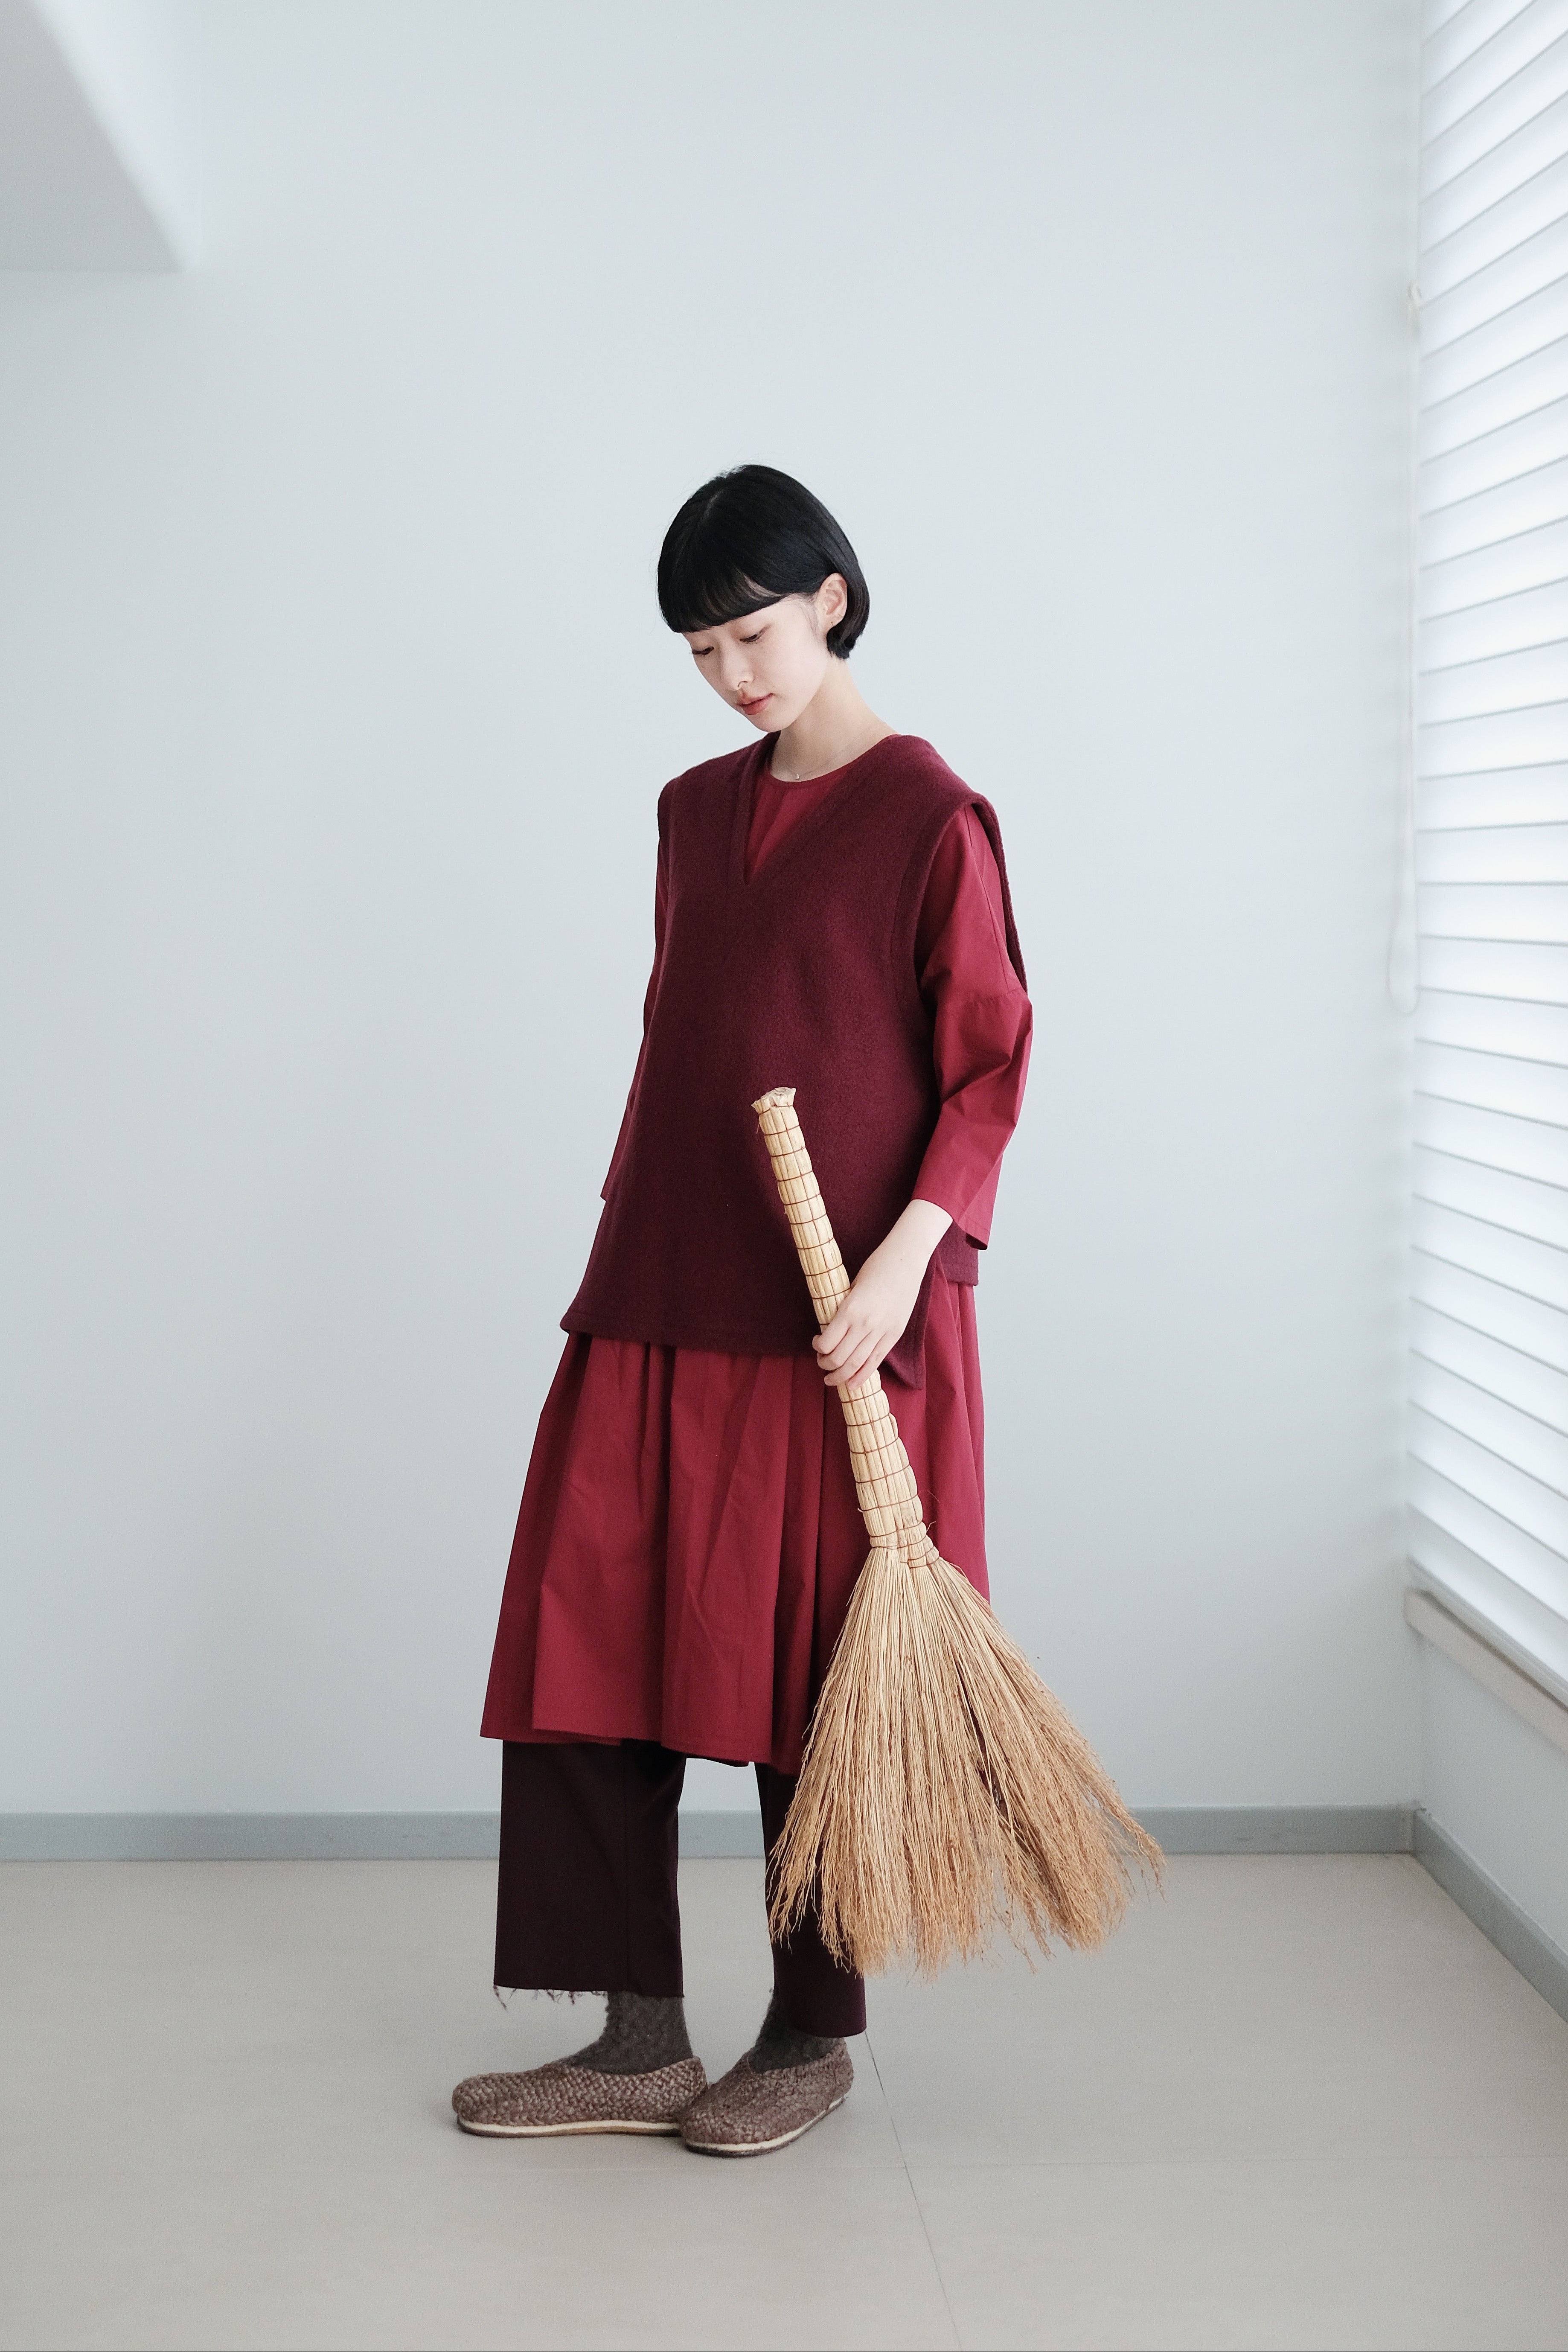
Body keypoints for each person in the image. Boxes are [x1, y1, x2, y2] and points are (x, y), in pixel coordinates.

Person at [452, 464, 1031, 2156]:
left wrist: (904, 1262)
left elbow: (989, 1066)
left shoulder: (934, 814)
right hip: (659, 1289)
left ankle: (805, 2035)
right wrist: (628, 1238)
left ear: (832, 600)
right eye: (702, 648)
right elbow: (678, 1038)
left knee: (811, 1681)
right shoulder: (691, 814)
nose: (734, 674)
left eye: (755, 632)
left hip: (846, 1320)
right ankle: (634, 2039)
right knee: (585, 1654)